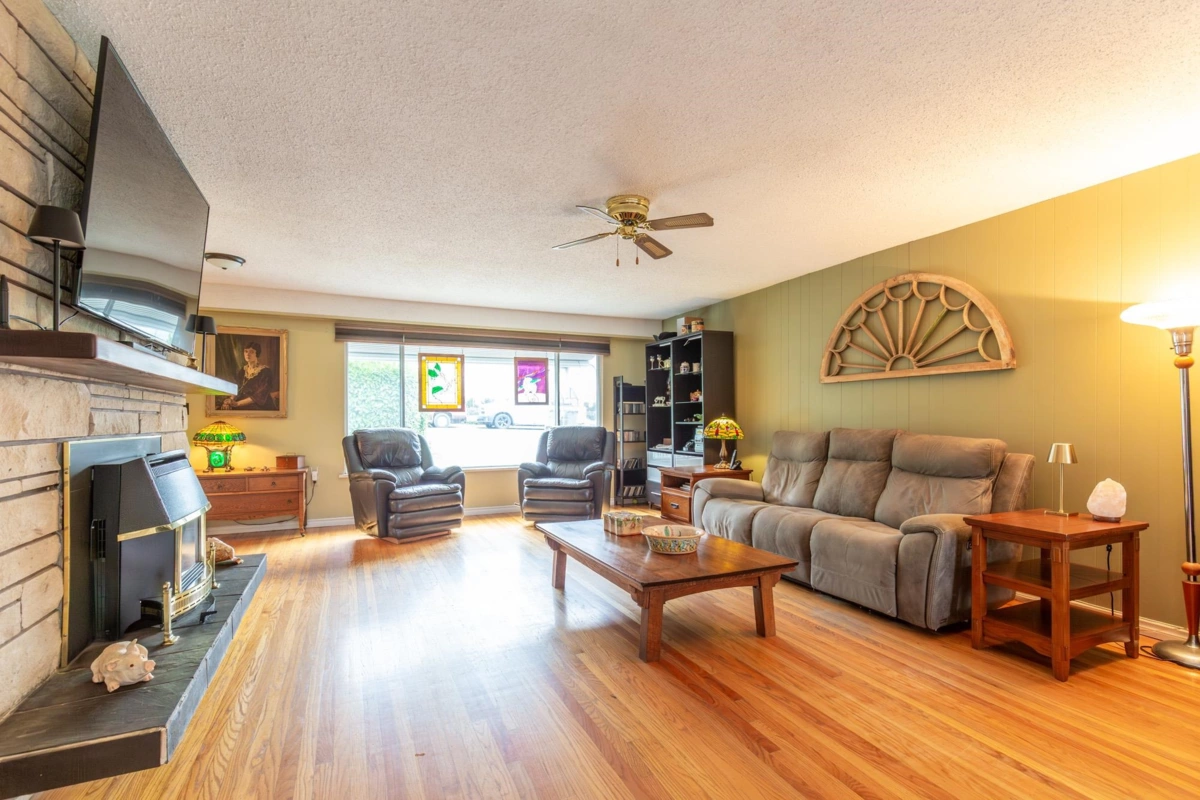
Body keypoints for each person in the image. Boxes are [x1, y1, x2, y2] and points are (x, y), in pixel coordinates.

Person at [220, 341, 276, 410]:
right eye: (246, 351)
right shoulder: (243, 370)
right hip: (242, 402)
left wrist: (237, 404)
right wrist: (230, 400)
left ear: (257, 354)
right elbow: (237, 387)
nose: (247, 354)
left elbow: (260, 396)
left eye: (251, 352)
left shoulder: (265, 372)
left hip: (259, 406)